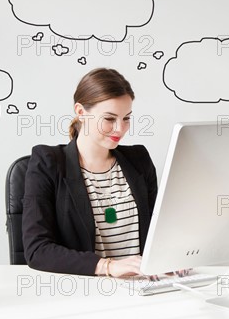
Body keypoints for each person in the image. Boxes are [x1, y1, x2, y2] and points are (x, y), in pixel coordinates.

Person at [22, 68, 158, 278]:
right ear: (80, 111)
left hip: (144, 287)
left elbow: (159, 232)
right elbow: (37, 250)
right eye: (110, 119)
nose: (120, 129)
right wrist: (109, 267)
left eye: (126, 118)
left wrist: (171, 257)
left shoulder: (139, 160)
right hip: (86, 292)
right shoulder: (47, 163)